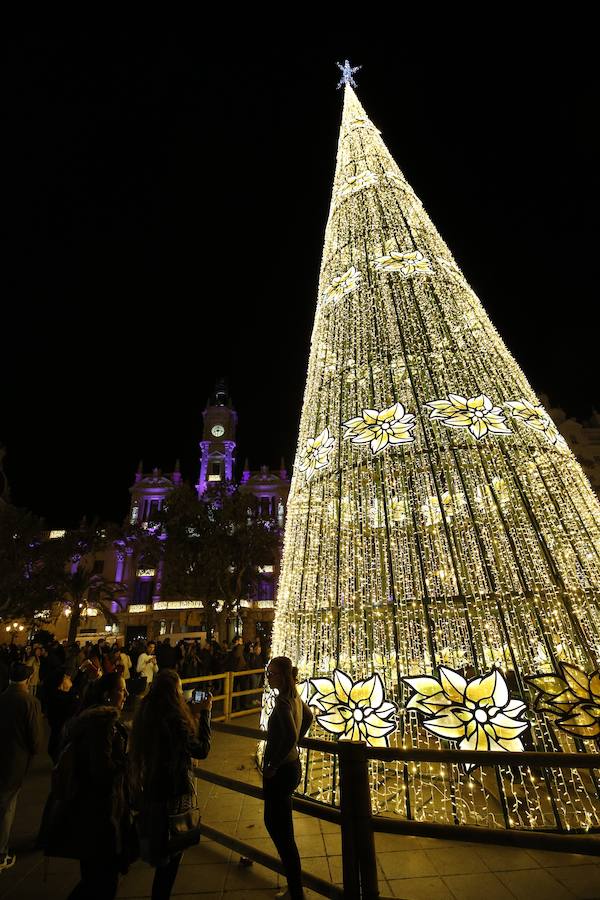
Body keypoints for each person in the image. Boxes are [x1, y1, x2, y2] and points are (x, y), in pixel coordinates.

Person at [43, 671, 130, 900]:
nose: (126, 694)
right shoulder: (103, 723)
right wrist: (128, 764)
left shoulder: (84, 718)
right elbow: (102, 771)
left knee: (93, 877)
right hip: (99, 813)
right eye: (121, 690)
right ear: (107, 695)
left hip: (84, 811)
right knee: (103, 881)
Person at [129, 669, 211, 899]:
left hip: (153, 786)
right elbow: (201, 749)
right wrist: (205, 714)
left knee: (164, 846)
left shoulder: (147, 713)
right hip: (173, 790)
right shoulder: (174, 719)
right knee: (173, 848)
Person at [263, 657, 313, 900]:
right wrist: (297, 745)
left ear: (282, 676)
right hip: (292, 767)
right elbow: (309, 717)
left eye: (270, 673)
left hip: (281, 771)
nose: (268, 677)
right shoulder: (296, 698)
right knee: (283, 828)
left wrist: (272, 764)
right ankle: (295, 888)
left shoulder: (283, 702)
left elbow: (291, 735)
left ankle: (296, 891)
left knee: (278, 829)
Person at [0, 662, 44, 872]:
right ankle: (1, 852)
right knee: (7, 806)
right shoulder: (29, 701)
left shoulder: (2, 697)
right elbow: (35, 737)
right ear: (27, 680)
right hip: (15, 759)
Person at [45, 668, 78, 763]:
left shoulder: (57, 696)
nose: (69, 677)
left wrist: (81, 671)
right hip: (60, 743)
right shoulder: (64, 700)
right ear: (60, 685)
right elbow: (75, 693)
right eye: (65, 677)